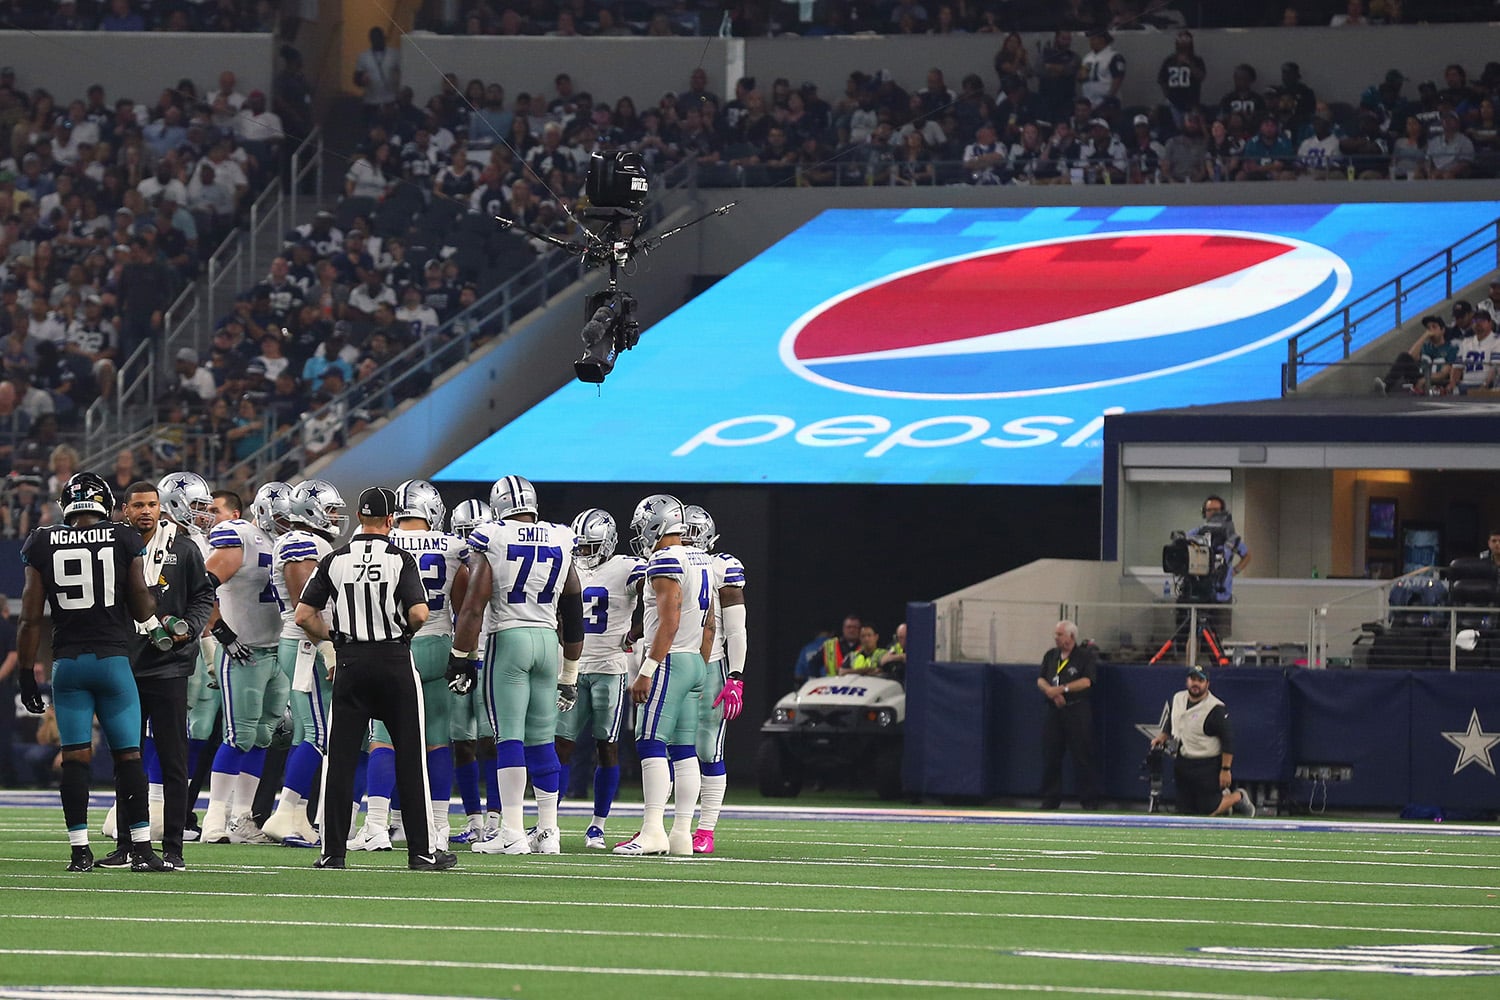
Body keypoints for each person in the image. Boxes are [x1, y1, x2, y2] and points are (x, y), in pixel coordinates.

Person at [16, 472, 170, 871]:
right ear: (105, 502)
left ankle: (79, 851)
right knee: (130, 756)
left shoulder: (41, 540)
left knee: (75, 757)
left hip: (68, 664)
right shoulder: (122, 537)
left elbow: (30, 619)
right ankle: (141, 848)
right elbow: (141, 608)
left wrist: (25, 674)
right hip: (113, 662)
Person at [295, 486, 455, 871]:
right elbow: (418, 613)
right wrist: (398, 633)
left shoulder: (335, 558)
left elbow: (303, 615)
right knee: (411, 757)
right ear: (389, 521)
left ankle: (333, 852)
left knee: (342, 760)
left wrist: (335, 637)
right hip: (394, 659)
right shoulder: (400, 558)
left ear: (360, 517)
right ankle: (420, 852)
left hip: (351, 662)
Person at [449, 475, 582, 855]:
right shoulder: (561, 536)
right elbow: (573, 607)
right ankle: (548, 831)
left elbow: (474, 603)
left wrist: (460, 656)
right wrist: (569, 671)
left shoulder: (493, 535)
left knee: (509, 735)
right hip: (547, 641)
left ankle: (510, 830)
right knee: (543, 739)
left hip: (508, 639)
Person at [95, 481, 213, 871]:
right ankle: (128, 844)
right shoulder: (113, 547)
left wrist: (191, 628)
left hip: (169, 667)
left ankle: (174, 848)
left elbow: (203, 595)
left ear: (160, 507)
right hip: (125, 665)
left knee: (173, 759)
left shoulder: (182, 546)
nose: (146, 511)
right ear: (124, 510)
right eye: (138, 505)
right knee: (128, 760)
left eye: (152, 504)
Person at [365, 479, 469, 849]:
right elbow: (464, 606)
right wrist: (464, 655)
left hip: (392, 646)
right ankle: (437, 828)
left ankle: (377, 826)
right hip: (439, 642)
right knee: (437, 738)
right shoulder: (454, 546)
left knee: (384, 738)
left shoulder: (380, 545)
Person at [613, 495, 714, 857]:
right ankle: (681, 835)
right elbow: (711, 624)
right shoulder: (702, 559)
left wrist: (647, 670)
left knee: (650, 743)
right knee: (684, 749)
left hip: (669, 659)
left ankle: (653, 830)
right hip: (693, 660)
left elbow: (668, 621)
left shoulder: (665, 558)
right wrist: (701, 666)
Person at [261, 479, 346, 848]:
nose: (334, 517)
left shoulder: (313, 542)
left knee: (305, 733)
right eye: (328, 510)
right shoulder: (302, 543)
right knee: (318, 734)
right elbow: (305, 607)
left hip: (305, 644)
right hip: (307, 645)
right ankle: (285, 812)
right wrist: (328, 649)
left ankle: (297, 817)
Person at [200, 482, 285, 845]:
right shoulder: (241, 535)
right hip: (243, 650)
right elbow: (201, 586)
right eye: (281, 516)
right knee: (239, 735)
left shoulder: (284, 543)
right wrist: (221, 632)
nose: (287, 523)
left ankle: (243, 818)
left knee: (265, 735)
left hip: (277, 650)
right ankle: (214, 819)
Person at [555, 507, 642, 849]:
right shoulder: (569, 564)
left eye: (590, 547)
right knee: (560, 745)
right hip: (573, 667)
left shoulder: (626, 567)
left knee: (607, 747)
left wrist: (636, 633)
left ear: (607, 544)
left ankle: (598, 826)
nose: (583, 554)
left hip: (609, 669)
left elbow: (658, 594)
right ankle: (549, 821)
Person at [683, 504, 747, 855]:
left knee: (707, 747)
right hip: (672, 661)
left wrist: (735, 675)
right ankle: (665, 826)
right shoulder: (664, 562)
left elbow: (735, 629)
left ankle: (705, 829)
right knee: (666, 746)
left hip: (710, 664)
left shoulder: (723, 566)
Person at [444, 499, 499, 844]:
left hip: (489, 656)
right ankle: (474, 819)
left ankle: (495, 818)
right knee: (461, 743)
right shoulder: (448, 559)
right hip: (456, 653)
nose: (468, 542)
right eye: (463, 534)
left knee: (490, 741)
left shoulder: (497, 559)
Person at [1149, 666, 1254, 817]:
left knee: (1207, 811)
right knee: (1185, 811)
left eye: (1200, 680)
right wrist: (1163, 736)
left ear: (1207, 684)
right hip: (1184, 759)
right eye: (1193, 679)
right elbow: (1174, 717)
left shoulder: (1215, 708)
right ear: (1187, 681)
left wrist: (1225, 769)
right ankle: (1222, 800)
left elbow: (1228, 739)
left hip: (1207, 763)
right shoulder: (1179, 698)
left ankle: (1238, 797)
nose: (1196, 684)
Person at [1036, 620, 1100, 810]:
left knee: (1082, 756)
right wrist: (1050, 691)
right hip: (1054, 711)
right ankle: (1050, 799)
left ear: (1071, 636)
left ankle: (1088, 801)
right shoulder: (1051, 655)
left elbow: (1087, 681)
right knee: (1051, 755)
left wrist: (1062, 690)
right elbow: (1040, 678)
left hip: (1076, 709)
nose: (1056, 638)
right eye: (1056, 634)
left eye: (1059, 634)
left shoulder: (1084, 657)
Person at [1190, 495, 1251, 637]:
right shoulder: (1196, 533)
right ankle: (1192, 660)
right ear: (1204, 512)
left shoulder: (1230, 536)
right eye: (1209, 510)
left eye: (1216, 510)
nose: (1213, 513)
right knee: (1193, 636)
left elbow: (1247, 556)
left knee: (1218, 637)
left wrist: (1234, 571)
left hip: (1222, 596)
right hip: (1199, 593)